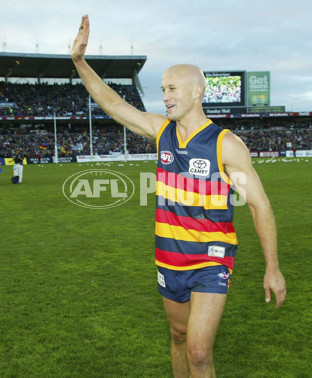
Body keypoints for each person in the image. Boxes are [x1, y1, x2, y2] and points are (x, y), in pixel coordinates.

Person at [71, 15, 286, 377]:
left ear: (196, 92)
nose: (165, 96)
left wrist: (273, 267)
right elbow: (113, 105)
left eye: (172, 88)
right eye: (163, 89)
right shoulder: (162, 132)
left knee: (200, 353)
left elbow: (258, 204)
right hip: (169, 257)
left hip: (211, 260)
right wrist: (79, 62)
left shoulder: (226, 145)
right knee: (179, 336)